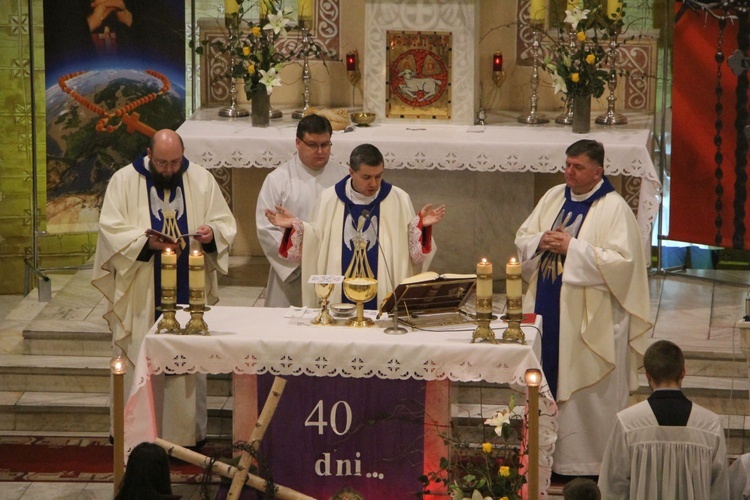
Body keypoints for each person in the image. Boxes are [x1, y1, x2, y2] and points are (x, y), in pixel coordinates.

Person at [514, 139, 651, 476]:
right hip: (546, 309)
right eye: (567, 164)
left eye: (577, 167)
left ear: (598, 172)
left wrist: (573, 248)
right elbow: (523, 236)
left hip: (589, 320)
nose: (569, 172)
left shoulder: (613, 208)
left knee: (585, 398)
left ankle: (584, 463)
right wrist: (539, 241)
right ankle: (544, 458)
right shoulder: (553, 196)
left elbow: (625, 264)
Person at [93, 129, 236, 446]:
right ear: (149, 154)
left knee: (186, 356)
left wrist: (211, 233)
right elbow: (111, 229)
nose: (170, 169)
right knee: (139, 354)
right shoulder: (124, 180)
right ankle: (136, 434)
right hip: (143, 284)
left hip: (189, 283)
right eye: (162, 162)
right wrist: (146, 242)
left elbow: (223, 222)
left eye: (175, 161)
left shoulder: (199, 178)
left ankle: (183, 436)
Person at [266, 143, 445, 308]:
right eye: (366, 177)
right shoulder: (329, 198)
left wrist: (420, 227)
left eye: (379, 176)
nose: (374, 184)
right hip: (339, 290)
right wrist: (297, 227)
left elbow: (409, 252)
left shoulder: (398, 198)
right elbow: (318, 240)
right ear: (351, 172)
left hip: (382, 288)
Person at [598, 340, 729, 499]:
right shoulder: (710, 425)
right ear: (683, 372)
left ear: (647, 375)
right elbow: (720, 490)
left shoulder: (628, 422)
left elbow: (612, 488)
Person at [255, 114, 349, 307]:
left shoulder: (344, 177)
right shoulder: (278, 180)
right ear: (298, 143)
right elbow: (266, 229)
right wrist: (300, 261)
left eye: (326, 144)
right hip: (294, 273)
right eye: (313, 145)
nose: (320, 151)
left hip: (334, 267)